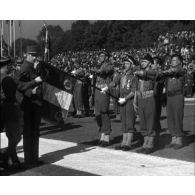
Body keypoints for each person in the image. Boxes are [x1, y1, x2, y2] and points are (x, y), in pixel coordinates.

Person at [14, 46, 44, 166]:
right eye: (32, 55)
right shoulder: (25, 68)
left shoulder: (32, 67)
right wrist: (31, 89)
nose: (34, 57)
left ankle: (33, 158)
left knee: (34, 132)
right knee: (29, 132)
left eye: (35, 55)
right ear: (26, 55)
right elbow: (18, 85)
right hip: (29, 104)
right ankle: (30, 159)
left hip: (34, 104)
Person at [102, 56, 138, 151]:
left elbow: (134, 91)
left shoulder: (134, 76)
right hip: (122, 99)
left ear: (131, 65)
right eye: (124, 63)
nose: (125, 65)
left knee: (130, 121)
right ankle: (123, 142)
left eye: (127, 64)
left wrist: (125, 99)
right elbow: (114, 82)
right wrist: (107, 88)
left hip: (129, 100)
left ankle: (128, 142)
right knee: (124, 121)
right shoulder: (122, 75)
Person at [0, 57, 22, 169]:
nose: (11, 67)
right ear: (5, 66)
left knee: (11, 136)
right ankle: (6, 156)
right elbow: (12, 95)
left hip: (4, 110)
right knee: (17, 136)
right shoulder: (7, 79)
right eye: (9, 65)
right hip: (10, 109)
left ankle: (14, 160)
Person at [134, 54, 157, 154]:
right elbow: (136, 88)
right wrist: (135, 101)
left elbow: (145, 73)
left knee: (150, 121)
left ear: (149, 63)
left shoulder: (152, 71)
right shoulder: (140, 73)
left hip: (149, 98)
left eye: (144, 61)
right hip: (140, 98)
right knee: (142, 121)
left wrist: (137, 72)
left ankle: (150, 144)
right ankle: (145, 143)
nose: (142, 63)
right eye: (142, 61)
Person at [93, 51, 114, 147]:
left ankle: (107, 135)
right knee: (97, 113)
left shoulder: (109, 65)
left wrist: (96, 70)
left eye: (102, 56)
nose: (100, 57)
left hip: (104, 90)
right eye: (100, 55)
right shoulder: (99, 65)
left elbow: (104, 71)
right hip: (97, 89)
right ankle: (102, 133)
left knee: (104, 112)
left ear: (106, 57)